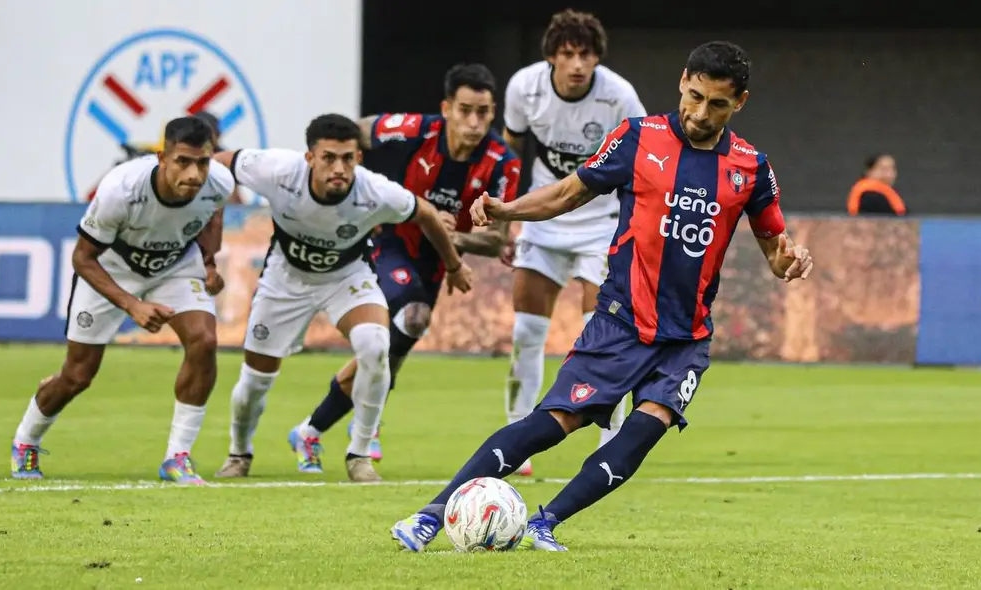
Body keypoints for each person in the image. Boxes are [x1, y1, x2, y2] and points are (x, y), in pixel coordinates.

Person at [390, 41, 814, 552]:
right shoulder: (639, 138)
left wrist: (789, 262)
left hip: (687, 337)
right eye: (695, 96)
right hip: (620, 322)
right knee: (551, 424)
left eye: (717, 104)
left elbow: (776, 248)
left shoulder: (751, 167)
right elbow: (569, 192)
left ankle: (545, 522)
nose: (700, 113)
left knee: (643, 429)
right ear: (683, 80)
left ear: (739, 102)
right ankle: (429, 517)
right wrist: (507, 211)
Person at [212, 114, 472, 482]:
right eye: (329, 158)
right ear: (309, 158)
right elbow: (221, 163)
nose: (339, 168)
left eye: (348, 158)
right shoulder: (275, 170)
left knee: (375, 344)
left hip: (346, 276)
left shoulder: (374, 190)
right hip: (285, 279)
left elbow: (427, 214)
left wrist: (455, 265)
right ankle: (239, 454)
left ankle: (360, 455)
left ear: (358, 159)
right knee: (255, 380)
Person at [292, 63, 521, 465]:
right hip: (390, 240)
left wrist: (454, 238)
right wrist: (347, 178)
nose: (473, 122)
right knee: (405, 321)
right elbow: (356, 129)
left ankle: (311, 429)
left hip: (437, 260)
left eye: (483, 112)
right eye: (465, 110)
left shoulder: (503, 162)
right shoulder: (416, 130)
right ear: (446, 108)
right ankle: (364, 422)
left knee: (391, 352)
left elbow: (497, 240)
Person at [10, 117, 233, 485]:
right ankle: (25, 441)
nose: (194, 174)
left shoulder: (219, 183)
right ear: (162, 157)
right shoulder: (122, 189)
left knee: (205, 341)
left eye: (203, 163)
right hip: (113, 268)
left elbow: (213, 212)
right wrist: (132, 304)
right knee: (77, 376)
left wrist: (208, 261)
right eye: (183, 162)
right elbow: (83, 258)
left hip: (173, 266)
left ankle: (177, 457)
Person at [501, 9, 647, 476]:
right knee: (526, 333)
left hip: (600, 224)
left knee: (601, 335)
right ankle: (517, 430)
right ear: (551, 57)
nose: (578, 64)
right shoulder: (524, 88)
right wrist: (504, 221)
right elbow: (510, 153)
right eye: (568, 54)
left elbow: (646, 162)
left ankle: (610, 441)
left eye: (586, 54)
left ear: (597, 59)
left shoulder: (619, 96)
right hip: (544, 222)